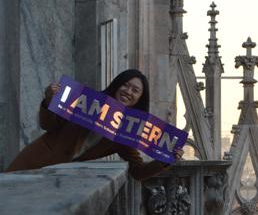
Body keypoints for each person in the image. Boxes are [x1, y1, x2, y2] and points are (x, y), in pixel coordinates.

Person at [5, 69, 183, 180]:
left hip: (57, 179)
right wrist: (49, 100)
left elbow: (137, 171)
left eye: (135, 90)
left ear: (139, 99)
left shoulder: (125, 133)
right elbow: (48, 125)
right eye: (125, 85)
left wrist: (164, 160)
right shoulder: (86, 101)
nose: (128, 92)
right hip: (33, 162)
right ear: (116, 85)